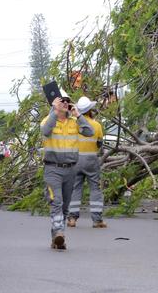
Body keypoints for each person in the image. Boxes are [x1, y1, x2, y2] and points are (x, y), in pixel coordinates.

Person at [41, 93, 94, 250]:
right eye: (61, 101)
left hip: (70, 170)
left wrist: (78, 115)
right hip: (52, 169)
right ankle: (60, 233)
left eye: (67, 101)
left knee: (64, 207)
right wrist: (54, 111)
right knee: (56, 201)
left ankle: (56, 237)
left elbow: (89, 131)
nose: (65, 103)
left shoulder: (74, 122)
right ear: (55, 103)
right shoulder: (48, 120)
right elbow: (45, 131)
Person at [67, 96, 106, 228]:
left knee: (75, 188)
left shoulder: (73, 123)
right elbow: (100, 143)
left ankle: (72, 218)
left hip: (75, 160)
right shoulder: (97, 125)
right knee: (95, 188)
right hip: (91, 160)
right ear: (90, 110)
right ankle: (97, 220)